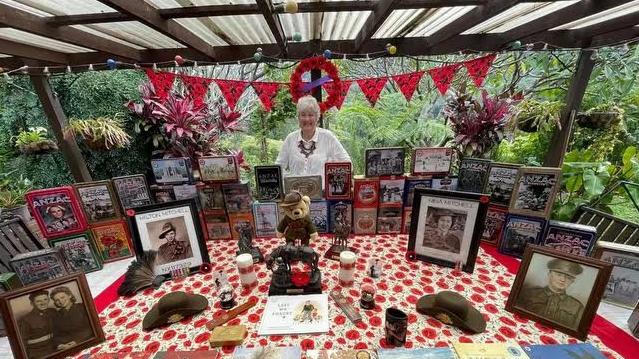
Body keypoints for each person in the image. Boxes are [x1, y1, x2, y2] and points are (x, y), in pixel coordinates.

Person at [276, 95, 351, 183]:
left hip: (323, 195)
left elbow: (347, 165)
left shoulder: (328, 137)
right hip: (296, 195)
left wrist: (331, 179)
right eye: (303, 115)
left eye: (311, 115)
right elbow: (278, 168)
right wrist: (291, 180)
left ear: (317, 117)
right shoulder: (290, 139)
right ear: (298, 118)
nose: (307, 119)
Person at [516, 258, 585, 328]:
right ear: (549, 274)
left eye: (568, 277)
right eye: (559, 274)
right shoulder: (529, 293)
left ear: (572, 281)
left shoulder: (577, 307)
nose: (563, 280)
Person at [50, 286, 92, 351]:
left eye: (62, 297)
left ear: (69, 295)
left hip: (86, 341)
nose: (60, 301)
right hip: (65, 346)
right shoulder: (56, 315)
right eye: (57, 300)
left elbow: (91, 328)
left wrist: (76, 342)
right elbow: (56, 335)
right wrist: (59, 345)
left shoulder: (83, 307)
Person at [18, 290, 56, 358]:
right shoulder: (26, 319)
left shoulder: (53, 311)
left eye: (45, 299)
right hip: (38, 352)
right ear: (32, 303)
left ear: (49, 300)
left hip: (56, 346)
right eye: (38, 301)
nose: (43, 303)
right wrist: (44, 338)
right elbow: (22, 342)